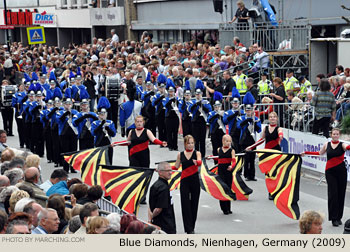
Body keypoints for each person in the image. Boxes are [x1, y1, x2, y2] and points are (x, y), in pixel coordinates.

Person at [302, 128, 349, 227]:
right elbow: (319, 153)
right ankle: (333, 218)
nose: (335, 135)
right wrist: (306, 152)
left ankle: (339, 217)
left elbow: (348, 147)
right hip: (330, 171)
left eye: (337, 134)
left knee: (341, 194)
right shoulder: (327, 144)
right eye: (334, 134)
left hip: (341, 171)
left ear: (339, 135)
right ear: (331, 135)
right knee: (333, 194)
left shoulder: (342, 145)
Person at [173, 135, 202, 234]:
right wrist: (163, 168)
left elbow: (200, 162)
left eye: (192, 143)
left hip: (195, 181)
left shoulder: (197, 153)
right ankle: (188, 228)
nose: (190, 145)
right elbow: (176, 167)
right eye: (188, 143)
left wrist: (196, 162)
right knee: (185, 205)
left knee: (194, 203)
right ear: (185, 144)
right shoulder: (180, 154)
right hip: (185, 181)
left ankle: (192, 226)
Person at [237, 93, 261, 181]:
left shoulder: (256, 118)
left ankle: (252, 175)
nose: (248, 112)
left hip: (252, 140)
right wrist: (247, 120)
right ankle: (246, 175)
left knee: (252, 158)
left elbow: (259, 130)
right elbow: (239, 126)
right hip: (244, 140)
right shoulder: (241, 118)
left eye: (250, 110)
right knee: (246, 158)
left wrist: (254, 122)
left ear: (252, 110)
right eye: (247, 110)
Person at [148, 162, 176, 234]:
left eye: (171, 170)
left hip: (158, 223)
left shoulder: (155, 185)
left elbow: (150, 204)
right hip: (165, 224)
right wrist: (151, 218)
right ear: (160, 172)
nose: (170, 173)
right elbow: (158, 209)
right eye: (167, 171)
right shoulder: (163, 188)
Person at [188, 83, 212, 157]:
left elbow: (209, 110)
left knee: (202, 139)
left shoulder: (205, 102)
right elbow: (190, 109)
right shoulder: (192, 102)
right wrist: (196, 104)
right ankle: (196, 154)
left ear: (201, 94)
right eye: (197, 94)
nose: (198, 95)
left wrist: (202, 105)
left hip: (202, 121)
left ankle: (203, 154)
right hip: (195, 122)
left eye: (199, 94)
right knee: (196, 139)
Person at [91, 96, 116, 164]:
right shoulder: (95, 123)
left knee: (109, 162)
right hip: (99, 144)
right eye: (101, 114)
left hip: (108, 144)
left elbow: (113, 134)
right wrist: (101, 125)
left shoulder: (110, 122)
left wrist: (108, 129)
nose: (102, 116)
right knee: (99, 162)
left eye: (104, 114)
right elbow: (93, 133)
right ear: (98, 114)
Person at [56, 98, 78, 173]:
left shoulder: (75, 112)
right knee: (65, 151)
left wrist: (71, 113)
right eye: (66, 104)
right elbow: (58, 120)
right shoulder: (60, 112)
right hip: (64, 134)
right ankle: (65, 168)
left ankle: (73, 167)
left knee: (73, 151)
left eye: (69, 104)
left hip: (73, 133)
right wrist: (66, 113)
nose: (68, 105)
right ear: (64, 105)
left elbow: (77, 121)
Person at [216, 135, 236, 215]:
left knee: (228, 188)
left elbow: (234, 161)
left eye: (230, 141)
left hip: (228, 172)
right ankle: (224, 208)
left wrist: (231, 166)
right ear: (223, 141)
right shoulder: (219, 149)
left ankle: (228, 207)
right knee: (222, 188)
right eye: (227, 141)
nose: (228, 143)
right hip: (220, 172)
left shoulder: (232, 151)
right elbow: (218, 159)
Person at [223, 88, 244, 153]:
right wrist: (234, 114)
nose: (235, 104)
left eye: (237, 103)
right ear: (231, 103)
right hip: (233, 133)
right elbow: (225, 121)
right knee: (235, 149)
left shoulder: (243, 112)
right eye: (234, 103)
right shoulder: (228, 112)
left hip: (241, 133)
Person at [207, 92, 226, 164]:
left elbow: (225, 121)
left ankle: (221, 162)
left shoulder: (223, 113)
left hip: (221, 132)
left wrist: (221, 115)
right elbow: (209, 120)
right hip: (214, 132)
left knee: (222, 147)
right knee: (215, 148)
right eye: (216, 106)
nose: (217, 108)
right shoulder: (211, 113)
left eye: (218, 106)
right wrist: (216, 115)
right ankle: (215, 162)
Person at [163, 80, 180, 151]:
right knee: (169, 132)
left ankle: (175, 145)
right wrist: (170, 100)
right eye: (170, 91)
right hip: (168, 117)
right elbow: (165, 105)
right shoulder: (166, 99)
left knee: (175, 132)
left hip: (175, 116)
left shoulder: (177, 99)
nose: (171, 93)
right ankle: (170, 145)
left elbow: (180, 106)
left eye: (172, 91)